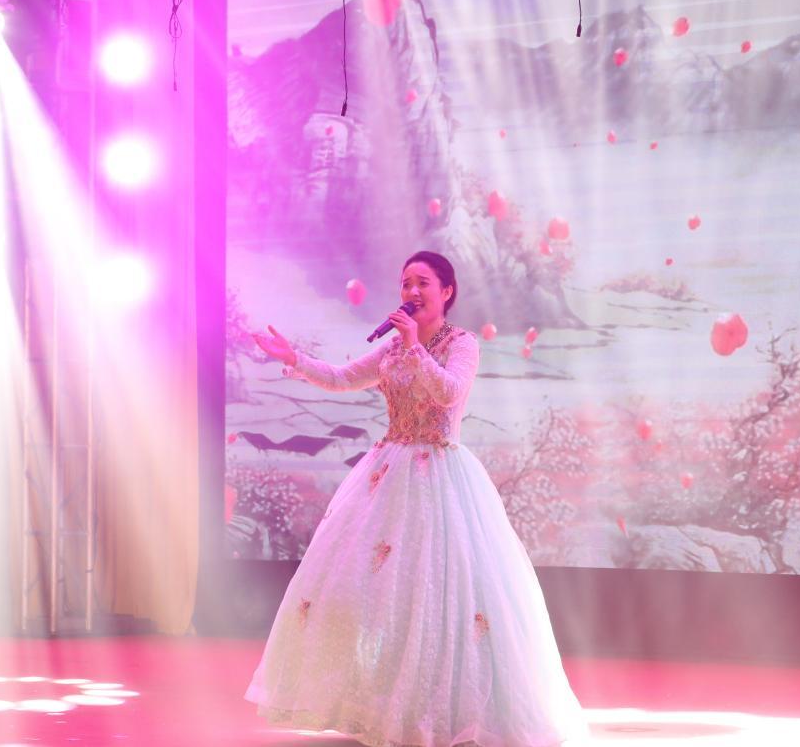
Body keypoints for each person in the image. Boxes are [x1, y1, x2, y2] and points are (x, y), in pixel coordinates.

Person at [243, 251, 590, 747]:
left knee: (442, 595)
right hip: (388, 474)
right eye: (406, 282)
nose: (412, 291)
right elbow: (342, 378)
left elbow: (449, 393)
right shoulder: (390, 348)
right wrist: (292, 358)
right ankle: (381, 705)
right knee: (372, 592)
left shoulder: (462, 343)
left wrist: (414, 347)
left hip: (441, 475)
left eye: (423, 282)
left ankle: (444, 712)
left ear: (446, 291)